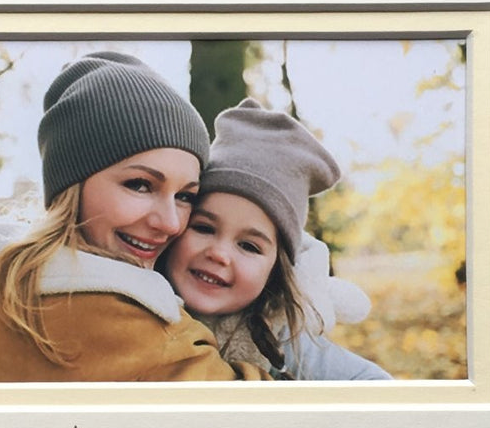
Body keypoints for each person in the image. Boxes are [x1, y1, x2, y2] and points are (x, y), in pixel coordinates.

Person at [0, 52, 267, 382]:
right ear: (71, 185)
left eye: (185, 196)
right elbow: (253, 416)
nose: (170, 223)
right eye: (140, 185)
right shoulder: (129, 326)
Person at [161, 98, 391, 380]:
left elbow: (376, 387)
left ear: (275, 270)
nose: (219, 254)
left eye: (249, 246)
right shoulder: (137, 305)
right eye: (204, 228)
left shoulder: (283, 338)